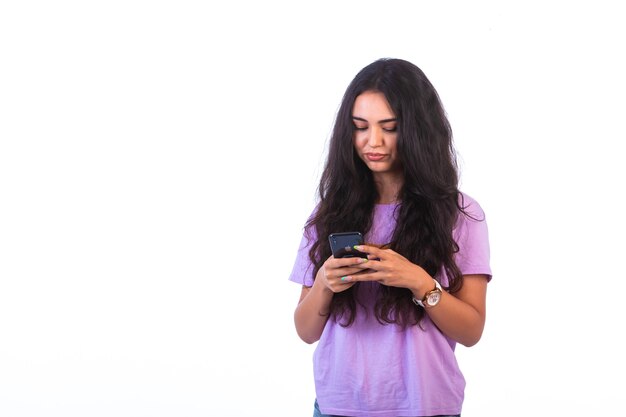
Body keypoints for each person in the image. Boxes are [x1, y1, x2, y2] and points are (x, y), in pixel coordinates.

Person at [288, 58, 492, 417]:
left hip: (427, 407)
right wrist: (323, 283)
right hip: (339, 406)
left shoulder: (461, 214)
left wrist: (419, 282)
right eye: (360, 127)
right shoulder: (326, 214)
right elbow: (306, 331)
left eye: (389, 127)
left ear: (416, 129)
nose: (373, 141)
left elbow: (472, 331)